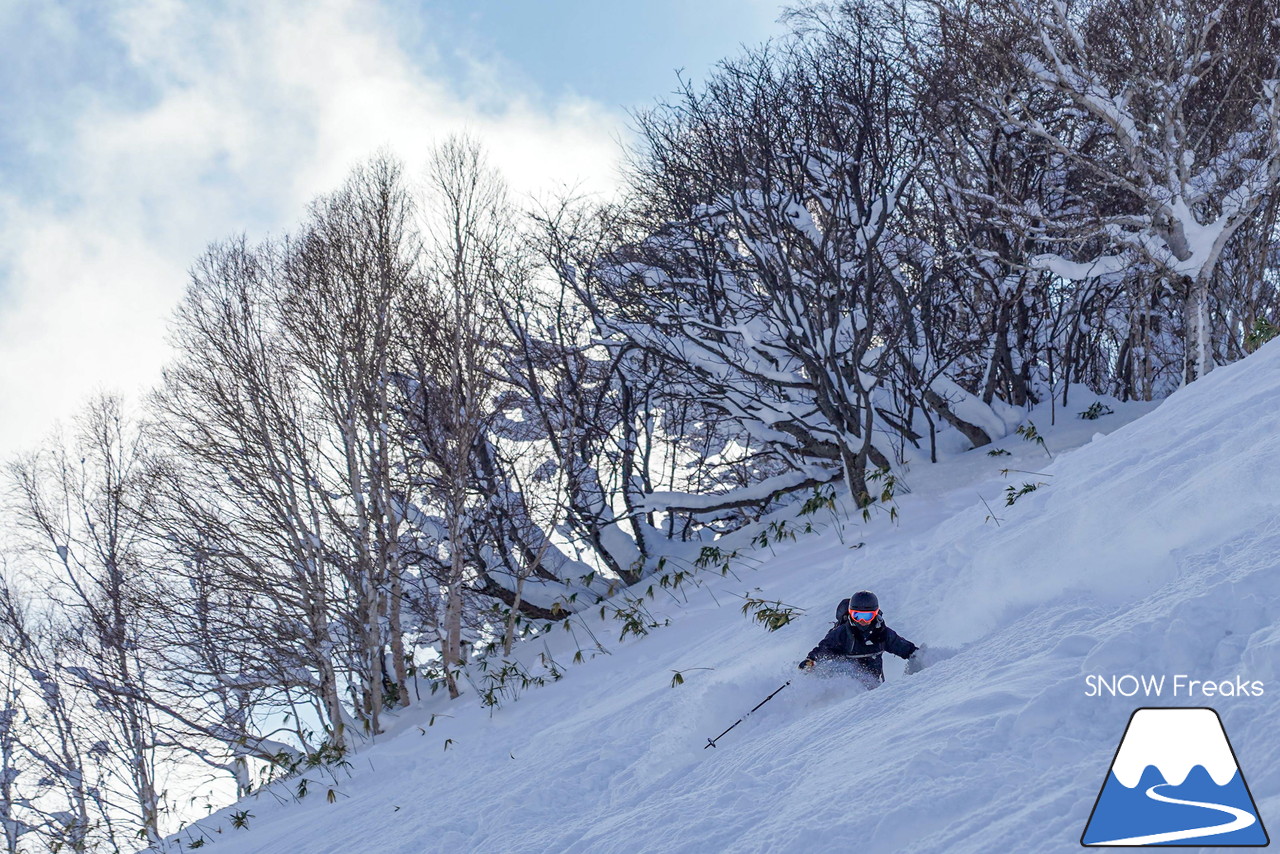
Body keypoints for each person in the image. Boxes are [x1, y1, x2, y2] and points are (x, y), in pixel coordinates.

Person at [798, 590, 921, 687]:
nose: (862, 621)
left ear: (875, 614)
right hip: (848, 682)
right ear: (850, 613)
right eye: (857, 615)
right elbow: (824, 648)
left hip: (875, 685)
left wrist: (919, 656)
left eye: (867, 616)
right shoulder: (842, 633)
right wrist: (811, 659)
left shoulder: (882, 634)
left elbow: (902, 647)